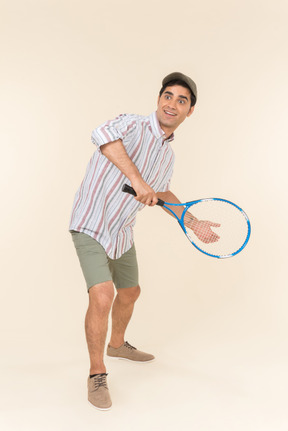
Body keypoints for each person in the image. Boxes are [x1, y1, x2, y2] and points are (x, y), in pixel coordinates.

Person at [69, 72, 217, 411]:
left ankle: (117, 344)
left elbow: (161, 192)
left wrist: (193, 222)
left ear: (189, 112)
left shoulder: (167, 156)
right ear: (159, 99)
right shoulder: (132, 124)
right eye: (168, 95)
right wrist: (137, 180)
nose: (172, 103)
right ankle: (96, 374)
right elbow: (102, 137)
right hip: (90, 221)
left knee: (131, 291)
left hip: (121, 229)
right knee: (102, 294)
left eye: (182, 100)